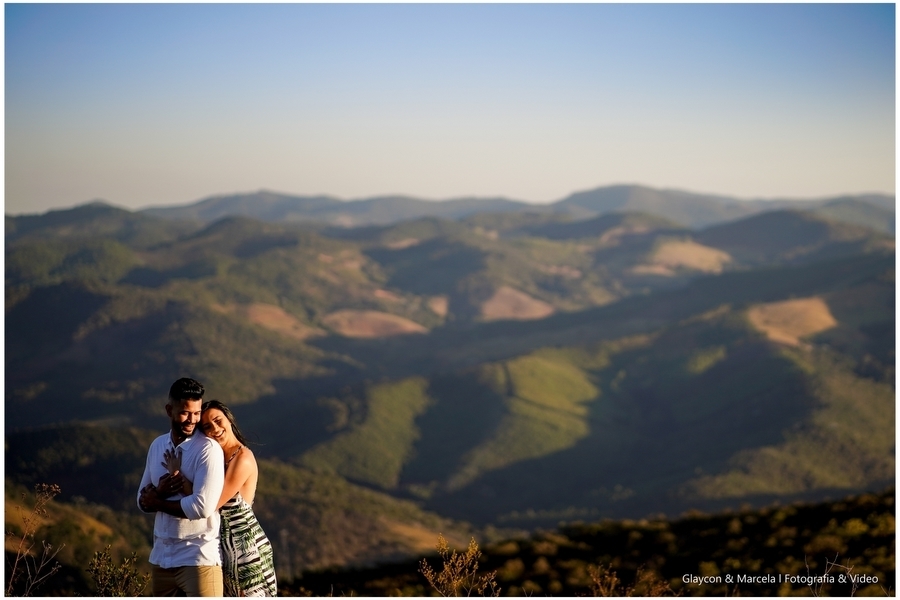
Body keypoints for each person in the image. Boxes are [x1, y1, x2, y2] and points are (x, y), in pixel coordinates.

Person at [165, 400, 277, 597]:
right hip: (222, 544)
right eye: (207, 426)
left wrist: (176, 474)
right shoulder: (217, 457)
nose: (215, 429)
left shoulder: (242, 458)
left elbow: (210, 502)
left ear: (229, 420)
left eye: (218, 420)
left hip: (244, 546)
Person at [137, 378, 226, 596]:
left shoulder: (207, 450)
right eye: (186, 413)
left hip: (198, 559)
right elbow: (141, 501)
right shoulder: (157, 446)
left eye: (196, 413)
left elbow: (202, 508)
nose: (192, 420)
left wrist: (158, 501)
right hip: (161, 559)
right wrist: (159, 493)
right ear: (169, 410)